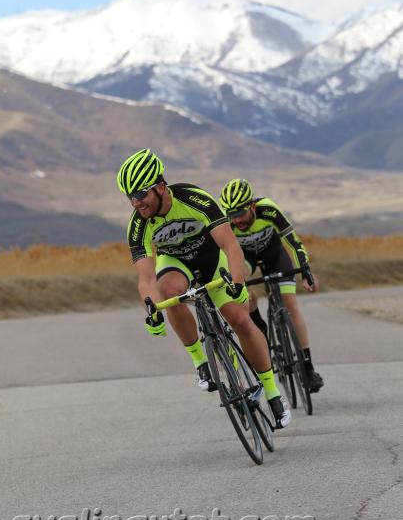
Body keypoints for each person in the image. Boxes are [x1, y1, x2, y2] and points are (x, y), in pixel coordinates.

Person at [116, 148, 292, 428]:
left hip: (212, 257)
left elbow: (230, 245)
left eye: (141, 194)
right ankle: (201, 360)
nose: (135, 203)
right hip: (176, 261)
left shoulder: (194, 199)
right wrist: (152, 310)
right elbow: (146, 279)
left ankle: (272, 393)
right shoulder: (138, 226)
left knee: (241, 321)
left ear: (161, 187)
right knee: (167, 291)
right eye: (130, 197)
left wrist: (236, 281)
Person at [219, 178, 324, 393]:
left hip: (275, 255)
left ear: (252, 206)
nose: (237, 220)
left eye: (240, 213)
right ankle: (260, 328)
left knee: (290, 303)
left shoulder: (268, 209)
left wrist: (305, 270)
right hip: (245, 259)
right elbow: (226, 257)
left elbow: (293, 242)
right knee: (245, 296)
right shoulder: (227, 222)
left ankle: (308, 367)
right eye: (232, 215)